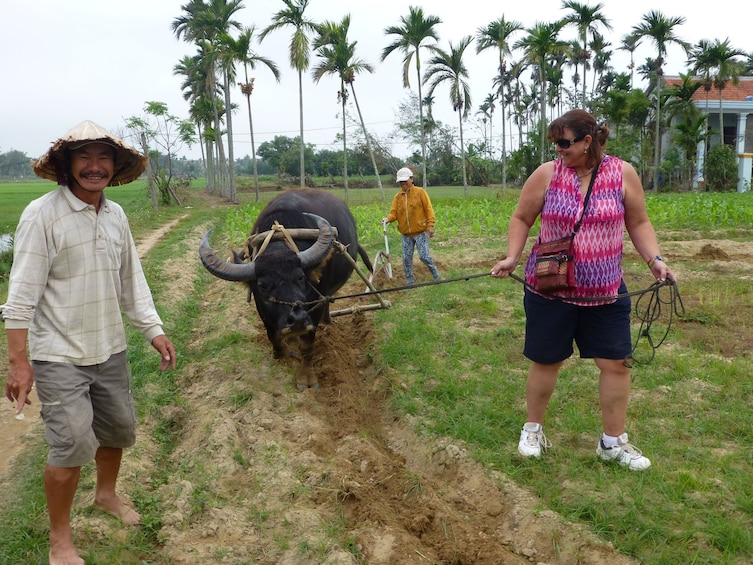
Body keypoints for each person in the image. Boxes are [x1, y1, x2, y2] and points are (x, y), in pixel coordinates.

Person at [1, 120, 177, 565]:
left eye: (104, 158)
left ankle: (106, 496)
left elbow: (131, 284)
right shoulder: (43, 215)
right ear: (66, 165)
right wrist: (18, 362)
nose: (94, 167)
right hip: (59, 354)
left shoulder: (115, 215)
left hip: (110, 348)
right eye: (84, 157)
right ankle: (60, 540)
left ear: (115, 167)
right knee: (71, 445)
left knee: (116, 430)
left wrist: (153, 331)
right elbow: (20, 296)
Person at [490, 109, 675, 471]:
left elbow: (638, 221)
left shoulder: (622, 173)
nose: (558, 150)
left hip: (605, 292)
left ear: (587, 141)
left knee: (616, 364)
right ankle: (533, 431)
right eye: (555, 143)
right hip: (550, 290)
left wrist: (655, 259)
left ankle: (612, 443)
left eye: (564, 143)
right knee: (546, 361)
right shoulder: (546, 174)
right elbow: (522, 218)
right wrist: (512, 256)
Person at [383, 167, 440, 285]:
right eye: (401, 182)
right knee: (406, 259)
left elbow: (428, 209)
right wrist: (388, 219)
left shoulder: (420, 193)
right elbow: (394, 213)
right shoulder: (398, 197)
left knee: (424, 256)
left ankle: (435, 274)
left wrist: (430, 225)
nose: (403, 183)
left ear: (411, 179)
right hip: (406, 234)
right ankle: (410, 281)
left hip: (420, 231)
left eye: (405, 181)